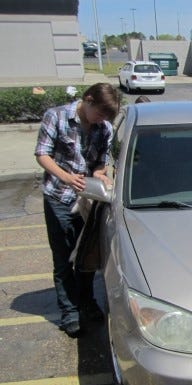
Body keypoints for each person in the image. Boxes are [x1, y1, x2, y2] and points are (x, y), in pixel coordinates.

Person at [34, 82, 120, 337]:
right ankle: (69, 313)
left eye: (106, 117)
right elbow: (42, 154)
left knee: (84, 258)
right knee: (63, 260)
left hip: (87, 201)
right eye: (99, 113)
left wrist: (99, 173)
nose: (101, 120)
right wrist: (66, 177)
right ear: (88, 99)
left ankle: (86, 302)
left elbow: (100, 162)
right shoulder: (57, 117)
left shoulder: (103, 128)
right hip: (59, 197)